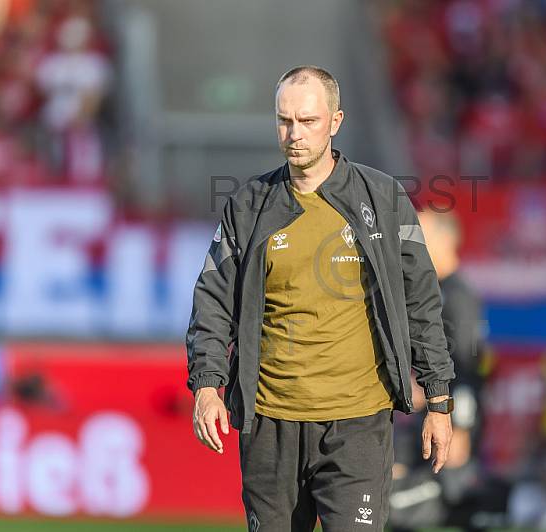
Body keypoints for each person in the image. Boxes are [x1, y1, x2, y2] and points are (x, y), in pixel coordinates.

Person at [185, 65, 455, 532]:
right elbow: (212, 302)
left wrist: (439, 399)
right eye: (284, 120)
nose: (294, 134)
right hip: (269, 423)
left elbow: (423, 305)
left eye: (307, 121)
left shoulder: (384, 198)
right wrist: (207, 385)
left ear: (335, 121)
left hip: (357, 426)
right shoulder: (249, 206)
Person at [387, 210, 495, 532]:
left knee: (451, 496)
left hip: (447, 411)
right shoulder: (428, 288)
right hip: (420, 412)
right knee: (396, 492)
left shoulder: (459, 294)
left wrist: (458, 421)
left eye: (422, 233)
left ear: (446, 240)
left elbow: (467, 365)